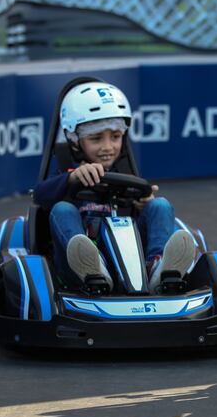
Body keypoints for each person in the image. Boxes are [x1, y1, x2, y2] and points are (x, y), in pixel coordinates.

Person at [33, 81, 195, 293]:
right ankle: (93, 266)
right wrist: (71, 179)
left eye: (115, 137)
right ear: (74, 139)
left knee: (161, 205)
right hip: (74, 274)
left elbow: (145, 212)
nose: (108, 147)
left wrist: (144, 204)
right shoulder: (66, 172)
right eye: (96, 138)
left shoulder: (125, 173)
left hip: (133, 266)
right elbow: (39, 196)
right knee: (62, 209)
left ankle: (158, 266)